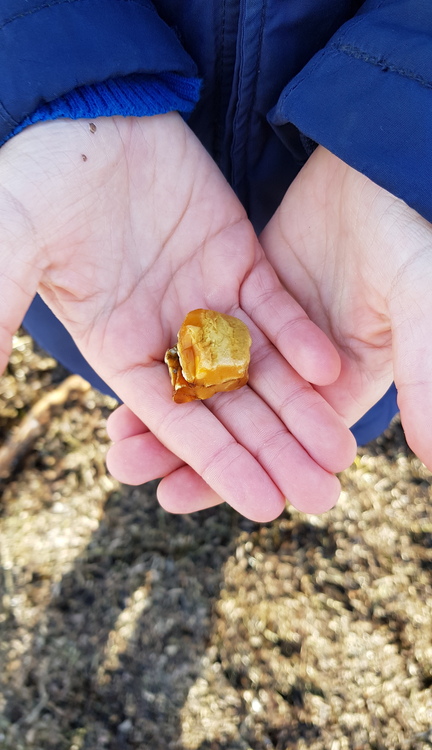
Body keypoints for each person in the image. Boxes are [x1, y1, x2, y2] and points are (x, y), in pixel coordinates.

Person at [0, 0, 431, 521]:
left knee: (324, 404)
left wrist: (407, 135)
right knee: (129, 382)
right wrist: (55, 83)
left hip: (333, 201)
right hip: (118, 245)